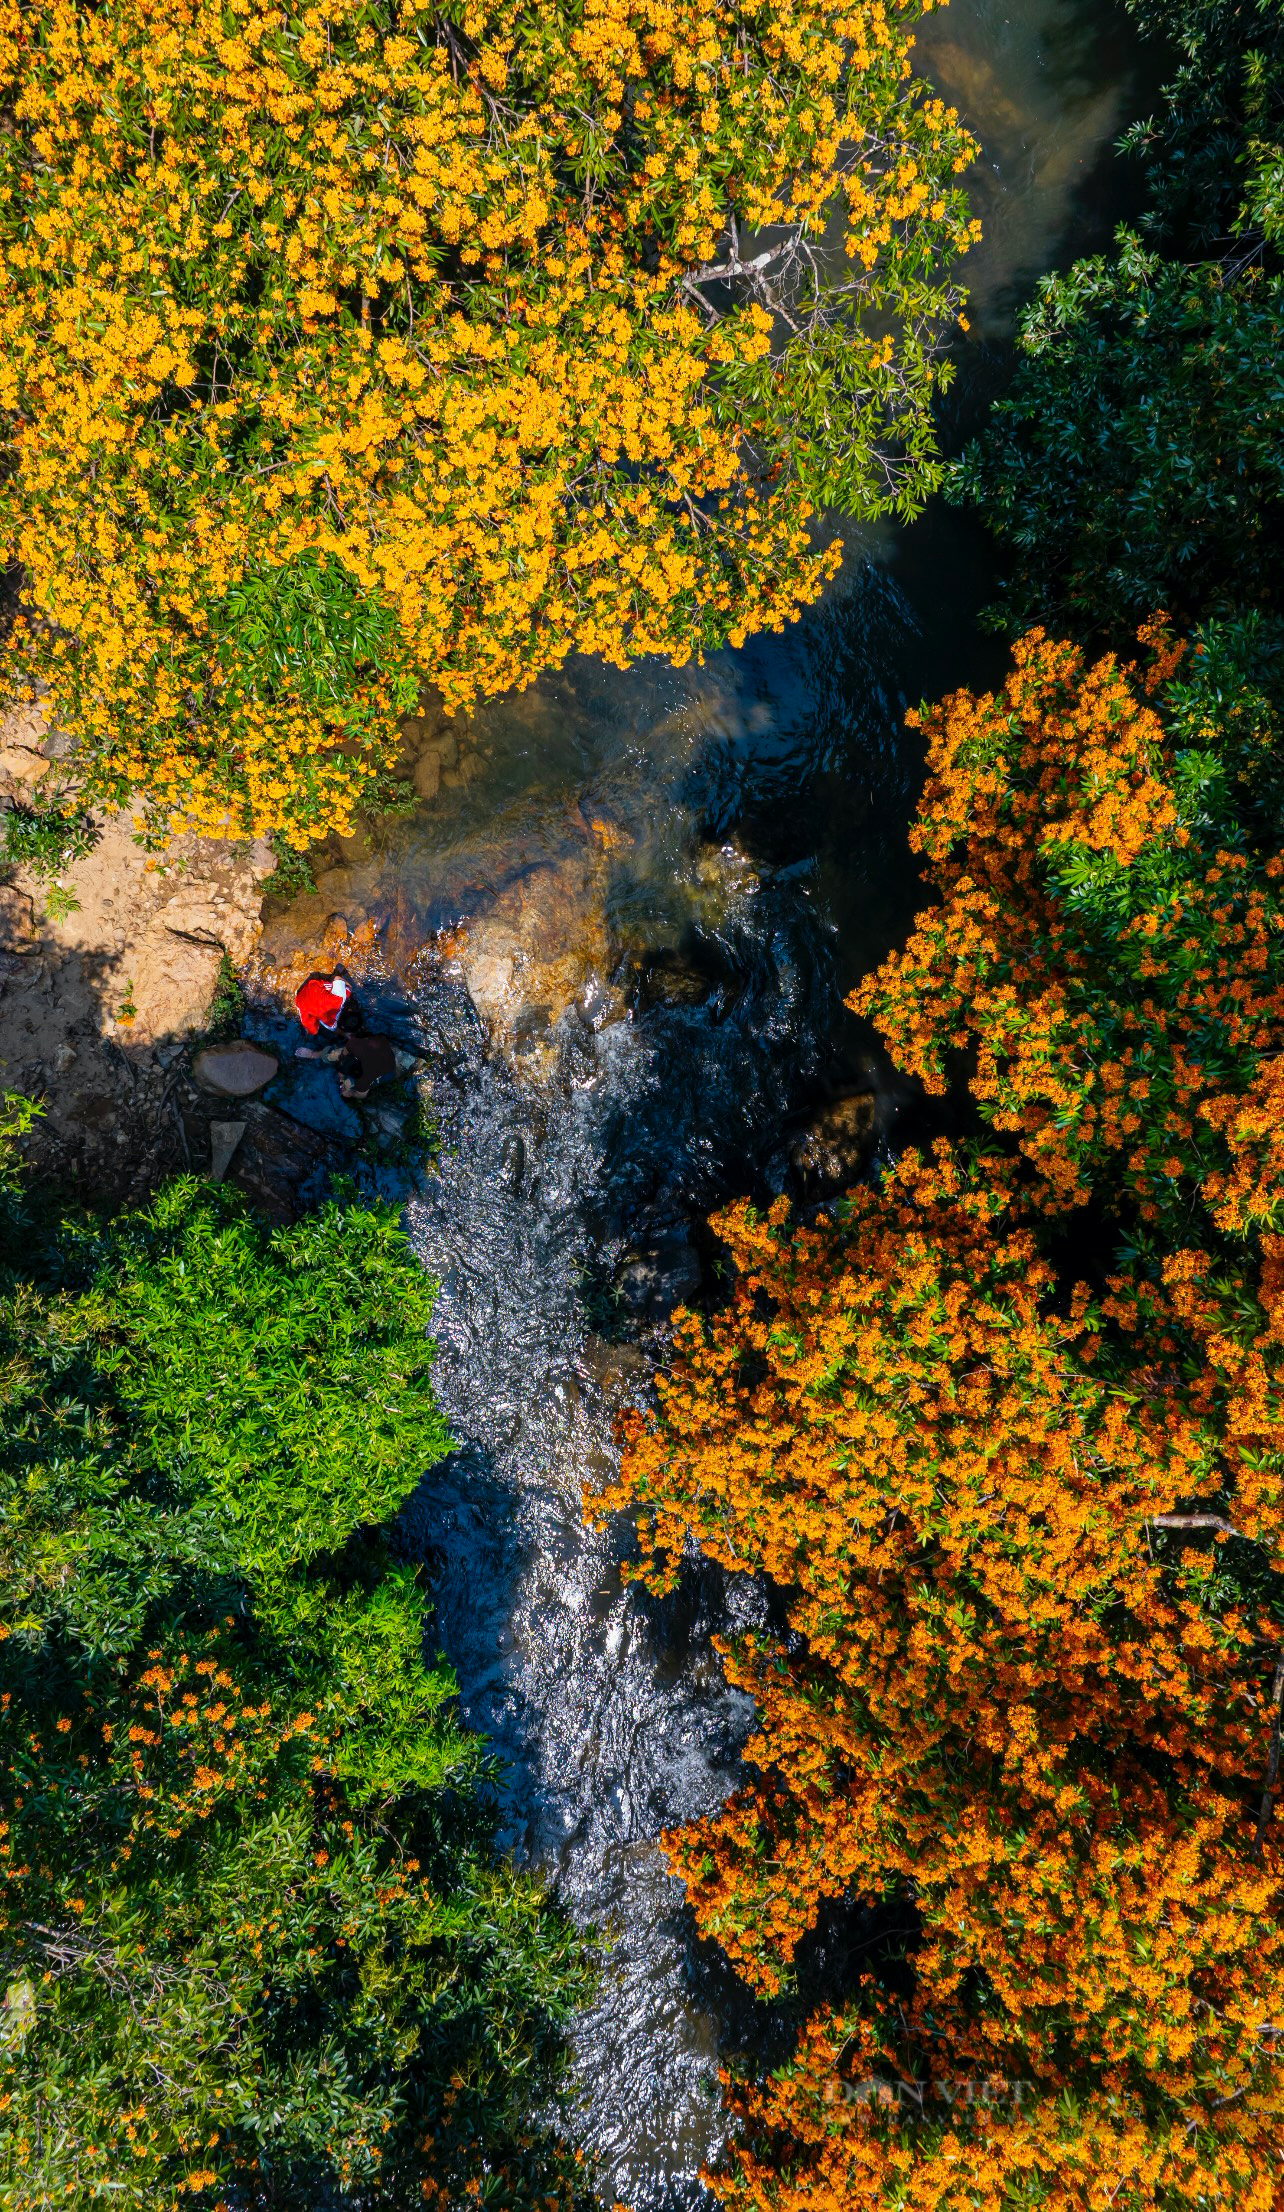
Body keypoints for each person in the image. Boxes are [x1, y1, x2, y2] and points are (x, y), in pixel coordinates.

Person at [293, 972, 358, 1052]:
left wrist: (348, 985)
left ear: (349, 1010)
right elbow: (334, 1029)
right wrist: (345, 1034)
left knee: (348, 989)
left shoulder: (339, 999)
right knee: (313, 1030)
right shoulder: (329, 1023)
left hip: (311, 983)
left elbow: (337, 978)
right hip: (298, 998)